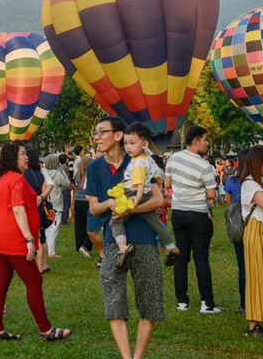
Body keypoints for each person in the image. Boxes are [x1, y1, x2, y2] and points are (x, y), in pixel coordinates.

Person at [87, 116, 165, 359]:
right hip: (114, 242)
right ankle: (126, 356)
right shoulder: (94, 167)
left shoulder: (141, 159)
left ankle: (138, 357)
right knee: (113, 299)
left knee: (150, 299)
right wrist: (110, 202)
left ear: (118, 135)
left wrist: (131, 209)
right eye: (96, 133)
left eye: (102, 132)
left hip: (144, 238)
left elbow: (159, 199)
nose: (97, 137)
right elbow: (93, 208)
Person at [0, 142, 71, 342]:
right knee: (34, 280)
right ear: (12, 157)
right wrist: (29, 239)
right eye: (22, 154)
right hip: (13, 240)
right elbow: (17, 209)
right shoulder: (15, 180)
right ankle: (46, 329)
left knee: (0, 284)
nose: (26, 157)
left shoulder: (2, 179)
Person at [162, 125, 220, 314]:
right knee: (201, 258)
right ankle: (207, 303)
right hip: (197, 214)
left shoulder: (173, 159)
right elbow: (211, 194)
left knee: (182, 258)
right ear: (196, 140)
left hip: (178, 212)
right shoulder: (204, 166)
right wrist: (198, 190)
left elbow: (167, 184)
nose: (207, 143)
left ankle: (182, 301)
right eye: (205, 139)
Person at [112, 122, 180, 269]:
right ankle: (170, 245)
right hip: (148, 194)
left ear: (144, 144)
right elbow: (157, 176)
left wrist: (136, 198)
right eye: (126, 143)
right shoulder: (149, 160)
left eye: (132, 143)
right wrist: (161, 189)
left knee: (116, 219)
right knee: (155, 221)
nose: (128, 147)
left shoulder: (137, 163)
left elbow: (139, 184)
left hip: (133, 193)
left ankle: (123, 247)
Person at [239, 144, 263, 339]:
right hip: (257, 231)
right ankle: (253, 325)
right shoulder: (249, 183)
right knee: (258, 275)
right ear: (257, 163)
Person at [223, 149, 247, 314]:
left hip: (239, 225)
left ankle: (244, 303)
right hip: (255, 224)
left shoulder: (232, 180)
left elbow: (229, 204)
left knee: (242, 266)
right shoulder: (258, 181)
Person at [41, 154, 69, 258]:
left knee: (47, 227)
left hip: (46, 202)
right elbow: (67, 184)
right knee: (54, 227)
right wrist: (62, 171)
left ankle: (47, 249)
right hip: (56, 203)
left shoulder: (44, 173)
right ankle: (51, 251)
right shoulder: (57, 173)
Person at [72, 149, 93, 258]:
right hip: (87, 201)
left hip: (78, 201)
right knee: (90, 224)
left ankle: (79, 244)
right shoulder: (90, 174)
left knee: (79, 224)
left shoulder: (78, 174)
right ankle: (86, 245)